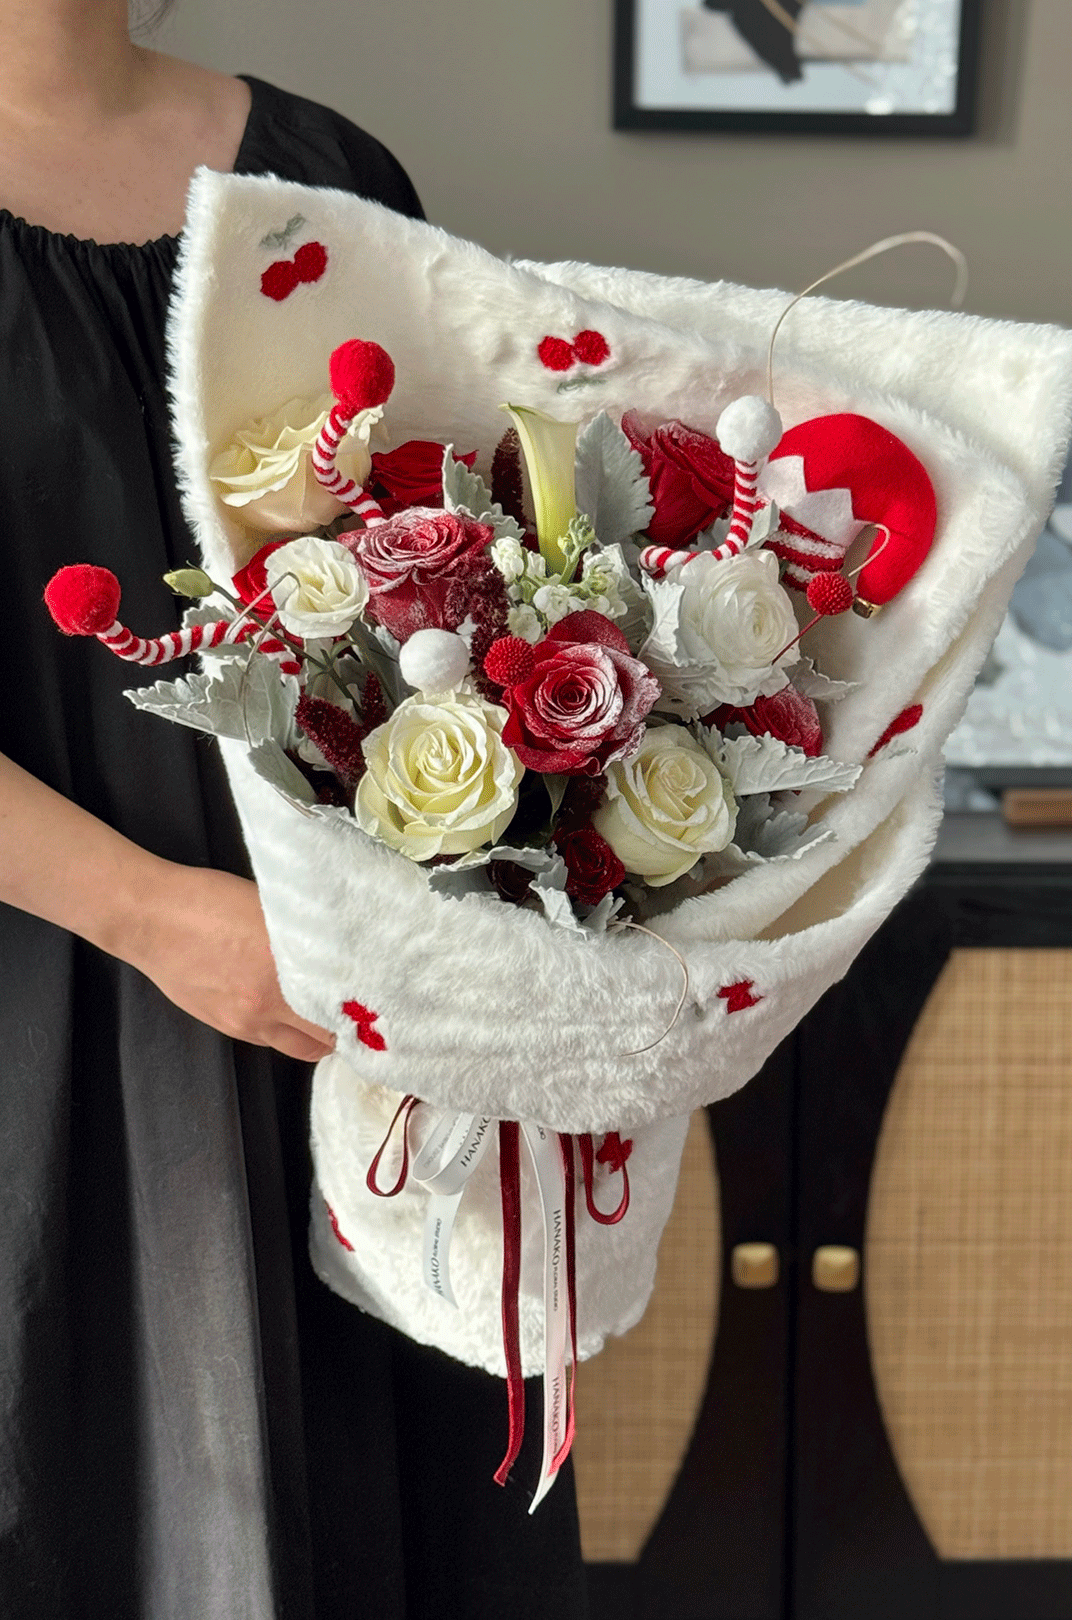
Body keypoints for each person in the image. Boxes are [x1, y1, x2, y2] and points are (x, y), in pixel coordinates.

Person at [0, 3, 589, 1615]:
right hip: (45, 1010)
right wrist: (153, 914)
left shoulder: (332, 176)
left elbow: (467, 572)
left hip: (356, 1018)